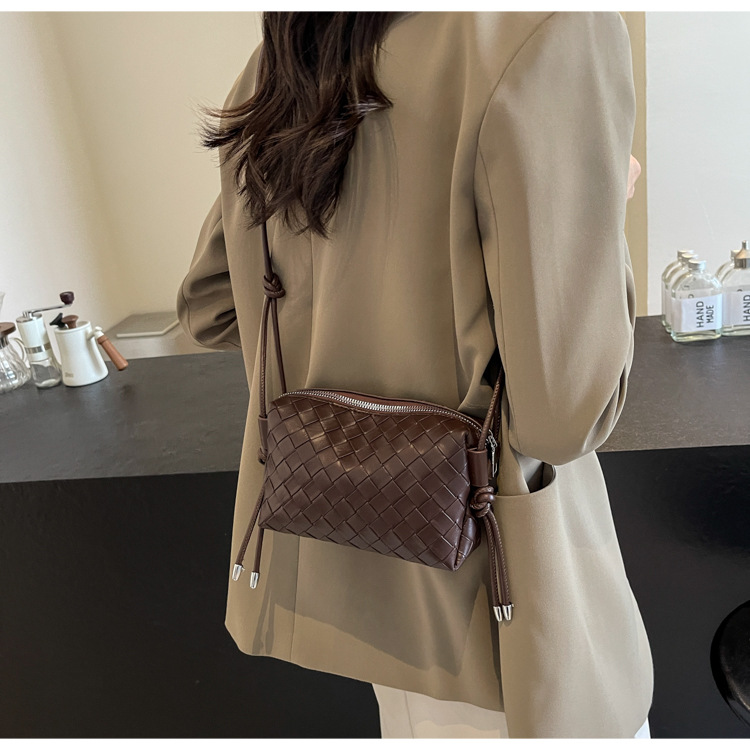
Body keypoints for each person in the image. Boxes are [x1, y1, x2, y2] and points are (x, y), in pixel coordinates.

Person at [176, 11, 653, 738]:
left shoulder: (290, 54)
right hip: (502, 600)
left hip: (365, 584)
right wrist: (599, 204)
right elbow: (564, 418)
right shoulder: (551, 28)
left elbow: (211, 307)